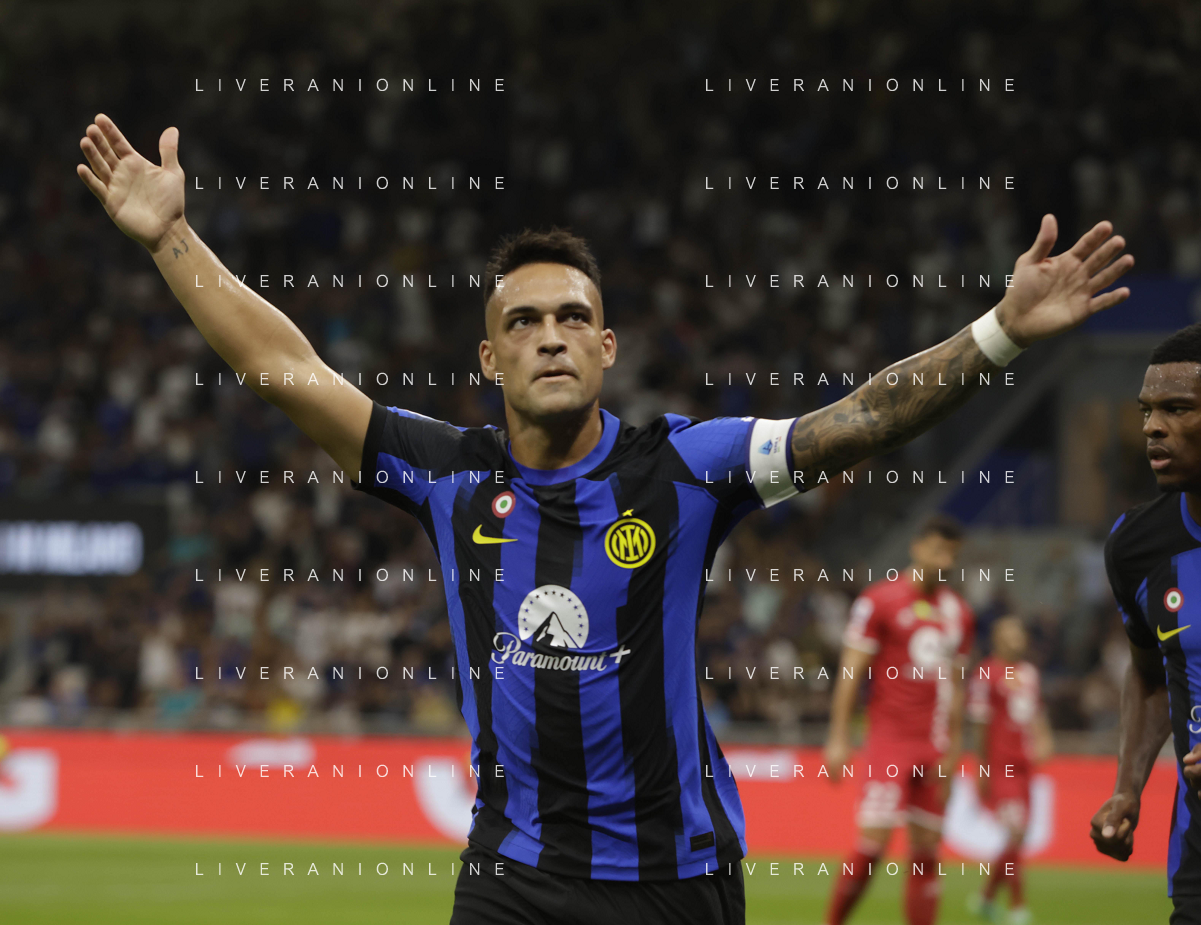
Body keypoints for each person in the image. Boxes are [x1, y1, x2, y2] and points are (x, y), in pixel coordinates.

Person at [77, 114, 1133, 925]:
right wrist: (172, 239)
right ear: (490, 358)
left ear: (606, 347)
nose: (550, 335)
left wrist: (998, 332)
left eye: (572, 317)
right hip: (513, 875)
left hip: (677, 880)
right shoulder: (449, 474)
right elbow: (287, 369)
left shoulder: (685, 466)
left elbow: (856, 419)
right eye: (523, 321)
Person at [1093, 323, 1201, 924]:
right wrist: (1128, 786)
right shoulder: (1135, 546)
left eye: (1177, 409)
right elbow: (1152, 676)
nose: (1151, 427)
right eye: (1146, 411)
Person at [823, 515, 974, 925]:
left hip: (935, 745)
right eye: (938, 551)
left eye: (952, 555)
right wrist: (838, 737)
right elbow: (851, 671)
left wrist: (955, 749)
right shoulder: (879, 600)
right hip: (890, 740)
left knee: (927, 848)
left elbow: (956, 686)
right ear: (917, 547)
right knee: (874, 842)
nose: (945, 562)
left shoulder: (959, 612)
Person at [966, 614, 1053, 925]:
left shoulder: (1029, 673)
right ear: (998, 639)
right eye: (1011, 634)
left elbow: (1036, 711)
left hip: (1024, 765)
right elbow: (980, 725)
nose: (1018, 639)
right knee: (1015, 832)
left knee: (1020, 834)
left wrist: (1044, 737)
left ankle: (986, 897)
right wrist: (982, 769)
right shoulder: (986, 673)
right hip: (1000, 765)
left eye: (1020, 633)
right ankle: (1018, 906)